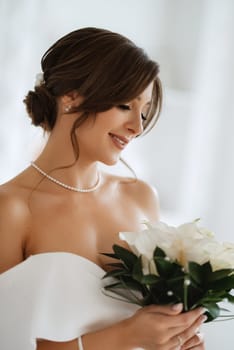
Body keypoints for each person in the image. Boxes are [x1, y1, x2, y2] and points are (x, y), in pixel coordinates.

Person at [0, 27, 206, 350]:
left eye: (144, 112)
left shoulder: (141, 198)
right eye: (126, 105)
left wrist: (177, 338)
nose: (137, 127)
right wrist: (126, 336)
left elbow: (154, 324)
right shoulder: (11, 209)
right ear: (71, 95)